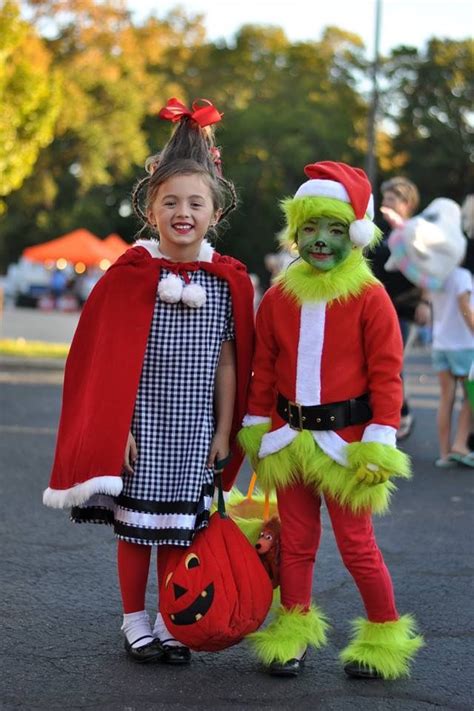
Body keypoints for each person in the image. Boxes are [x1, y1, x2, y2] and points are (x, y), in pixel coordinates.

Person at [43, 98, 255, 664]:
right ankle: (134, 619)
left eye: (195, 202)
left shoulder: (227, 281)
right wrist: (120, 427)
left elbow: (230, 362)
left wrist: (223, 428)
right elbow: (109, 361)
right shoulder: (132, 276)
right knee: (136, 528)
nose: (182, 212)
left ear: (215, 211)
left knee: (176, 531)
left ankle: (168, 618)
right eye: (170, 202)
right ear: (150, 209)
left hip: (193, 430)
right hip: (143, 426)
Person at [238, 161, 423, 680]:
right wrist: (256, 423)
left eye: (335, 229)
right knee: (295, 544)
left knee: (357, 546)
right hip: (289, 441)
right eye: (310, 228)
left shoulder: (371, 297)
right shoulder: (278, 296)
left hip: (347, 446)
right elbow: (265, 367)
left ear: (357, 236)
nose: (320, 241)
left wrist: (380, 440)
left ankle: (383, 634)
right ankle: (293, 631)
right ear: (295, 232)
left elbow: (389, 376)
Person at [384, 196, 474, 467]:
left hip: (441, 343)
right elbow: (465, 309)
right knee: (469, 399)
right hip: (464, 344)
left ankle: (445, 452)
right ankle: (460, 445)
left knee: (445, 398)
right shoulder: (462, 277)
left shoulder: (437, 278)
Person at [370, 176, 428, 441]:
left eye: (392, 199)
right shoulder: (377, 229)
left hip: (404, 307)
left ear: (406, 203)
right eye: (384, 198)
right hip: (378, 305)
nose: (385, 203)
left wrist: (426, 302)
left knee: (393, 360)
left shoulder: (415, 231)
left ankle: (402, 413)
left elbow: (429, 270)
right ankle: (387, 413)